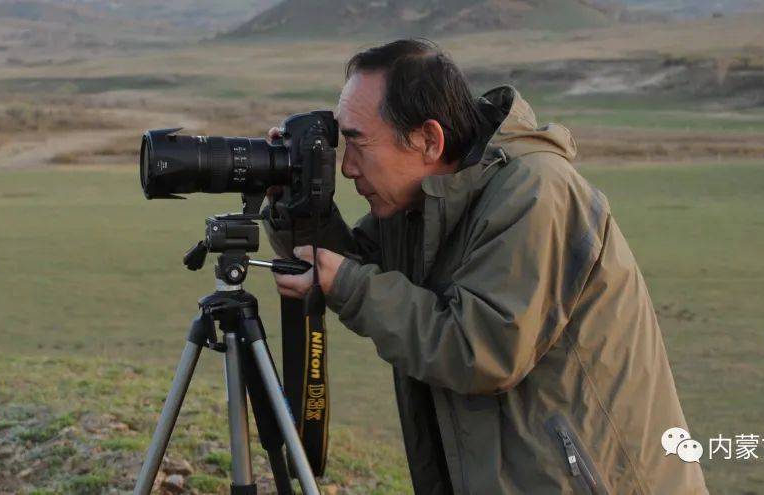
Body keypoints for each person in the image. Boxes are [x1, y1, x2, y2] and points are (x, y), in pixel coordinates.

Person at [266, 38, 707, 495]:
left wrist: (348, 285)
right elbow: (358, 270)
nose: (347, 168)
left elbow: (481, 350)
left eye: (357, 143)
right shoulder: (424, 198)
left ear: (429, 139)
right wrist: (296, 205)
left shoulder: (535, 192)